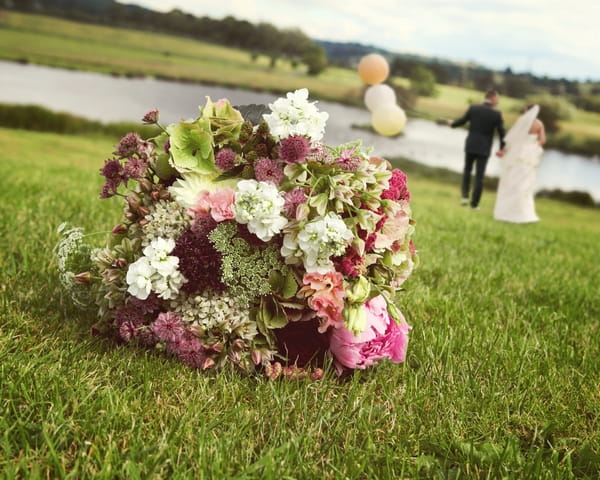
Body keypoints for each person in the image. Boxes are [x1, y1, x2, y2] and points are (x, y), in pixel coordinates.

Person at [448, 90, 506, 210]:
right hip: (484, 148)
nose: (498, 101)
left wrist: (452, 124)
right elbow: (501, 133)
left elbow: (462, 121)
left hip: (471, 145)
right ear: (493, 98)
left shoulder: (473, 108)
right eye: (498, 99)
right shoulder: (497, 114)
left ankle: (464, 197)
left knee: (467, 171)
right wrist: (502, 148)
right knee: (480, 176)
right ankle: (474, 204)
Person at [493, 104, 545, 223]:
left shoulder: (521, 121)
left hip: (516, 157)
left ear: (527, 110)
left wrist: (503, 151)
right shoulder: (539, 124)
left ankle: (506, 212)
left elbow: (512, 139)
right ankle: (523, 214)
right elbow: (542, 141)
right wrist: (531, 148)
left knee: (511, 183)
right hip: (528, 159)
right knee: (524, 185)